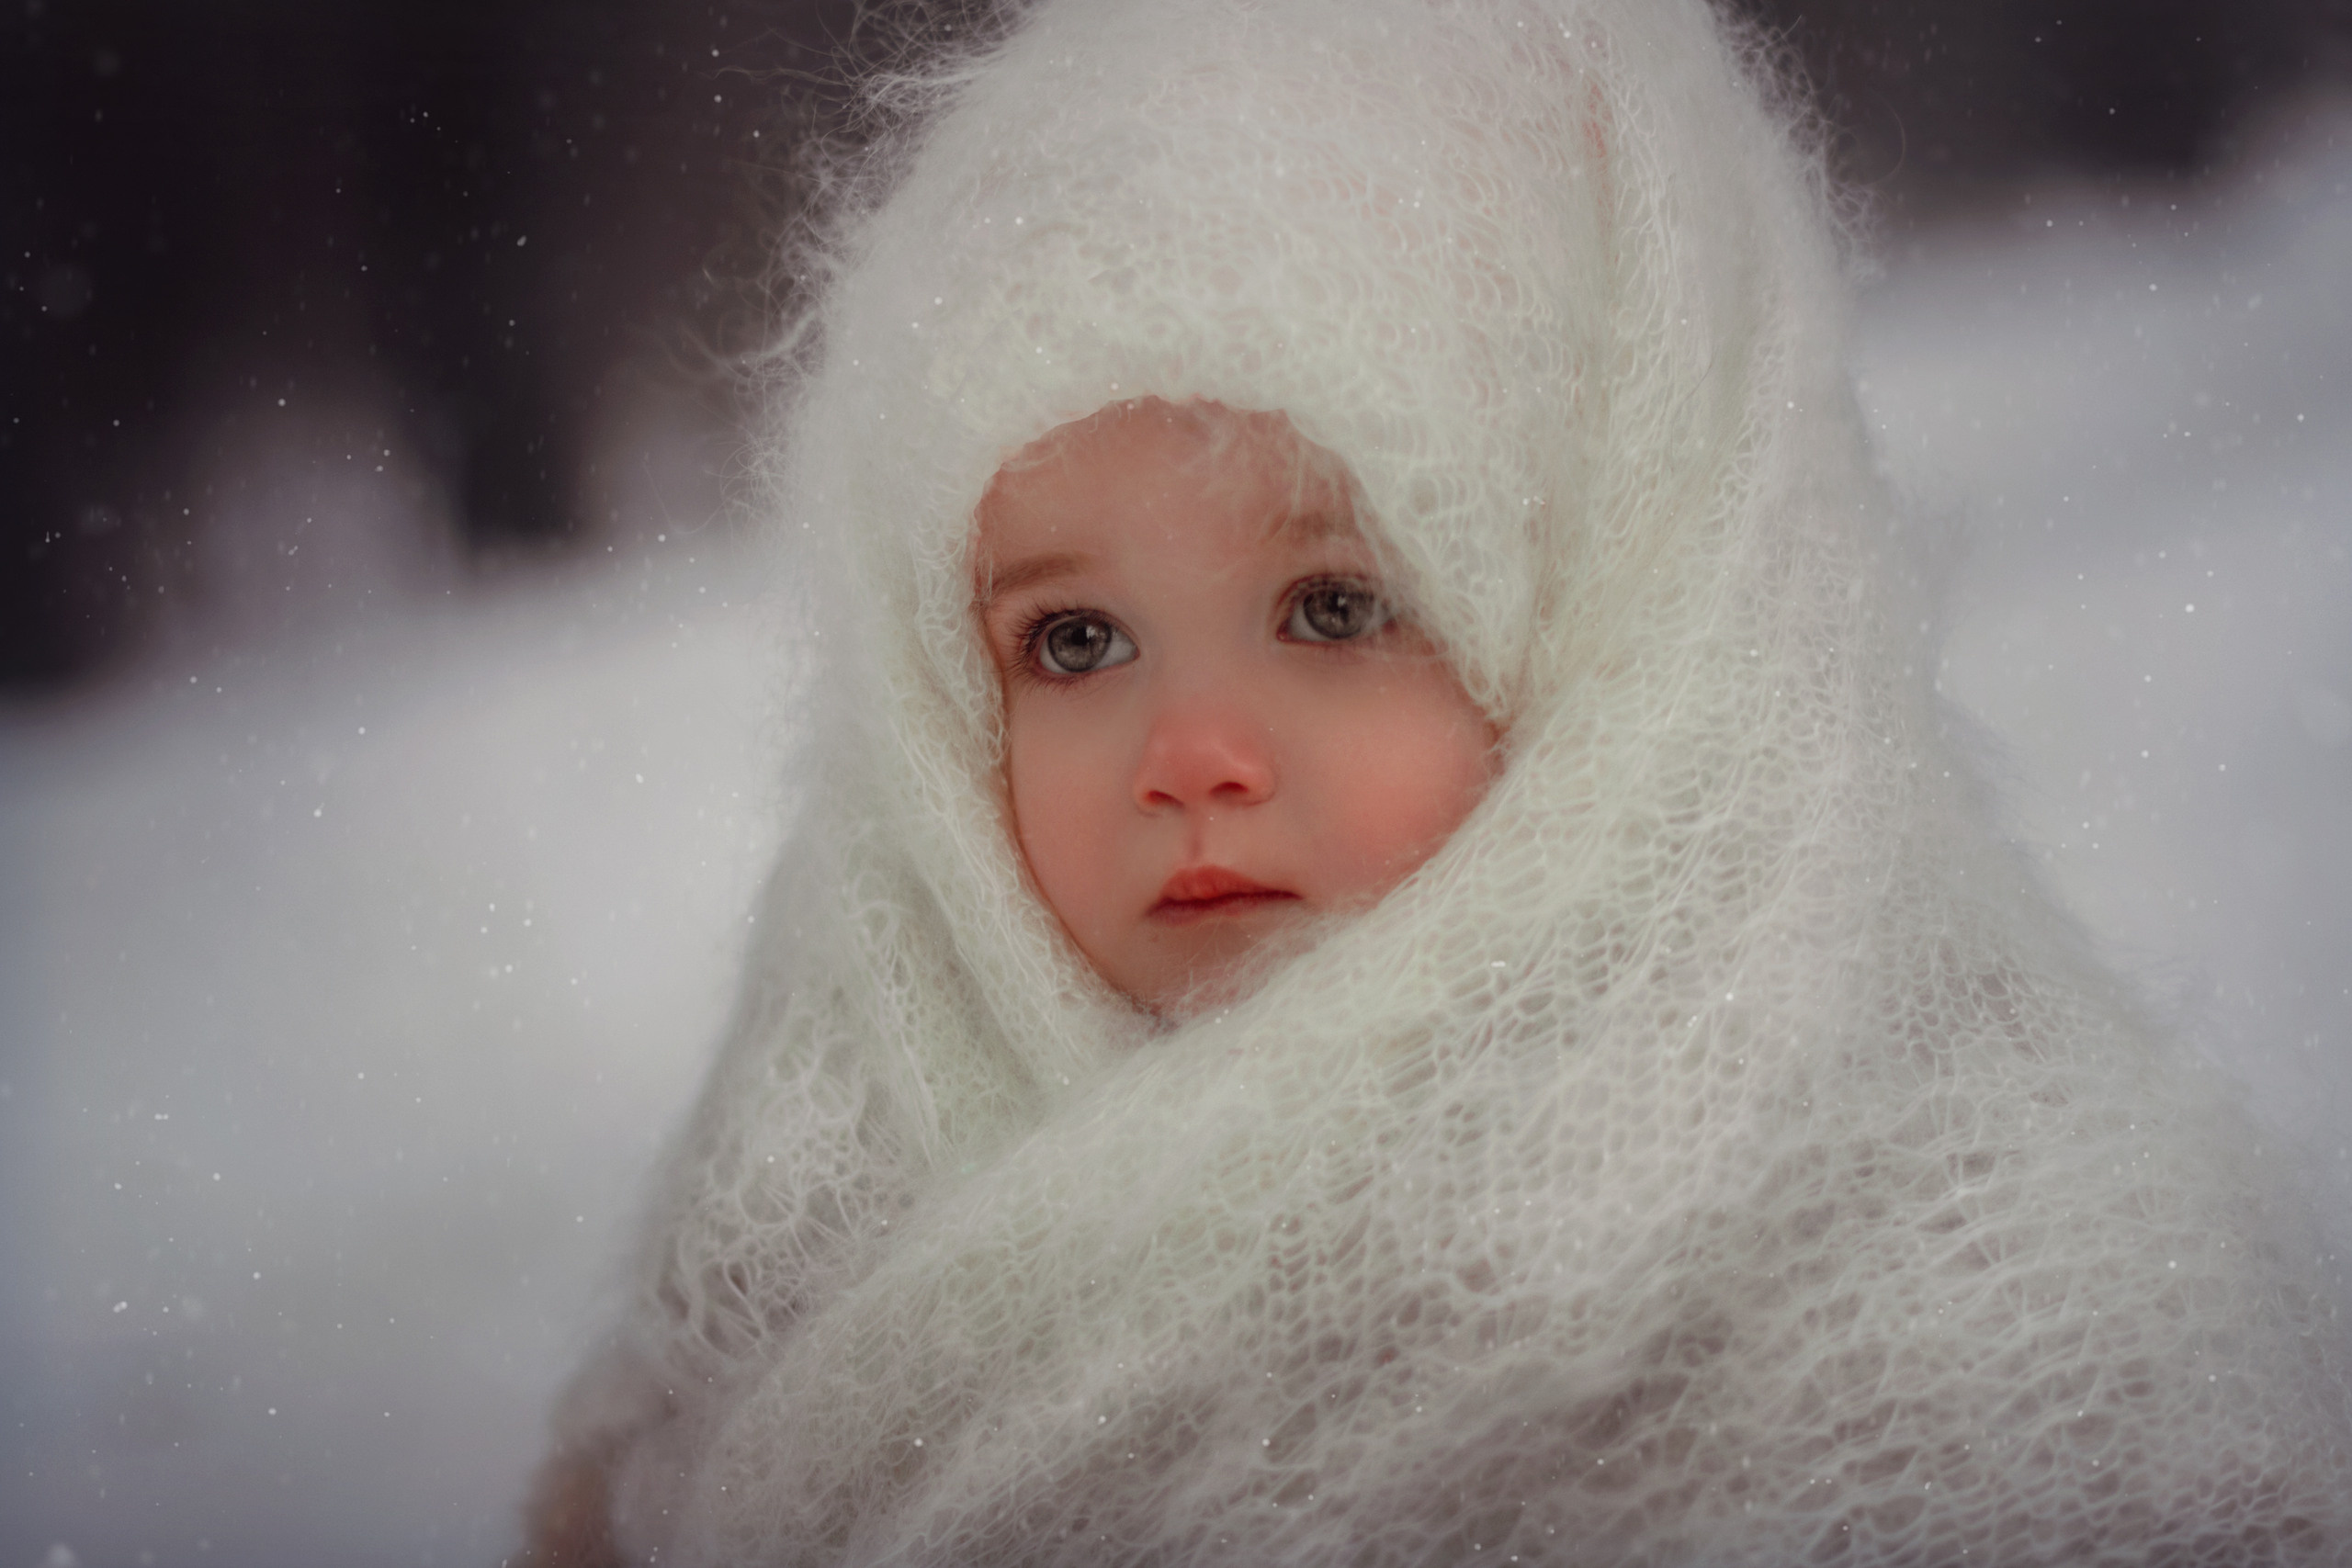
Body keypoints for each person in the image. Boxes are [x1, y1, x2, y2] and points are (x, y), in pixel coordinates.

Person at [527, 0, 2352, 1562]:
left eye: (1335, 604)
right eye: (1072, 641)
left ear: (1632, 626)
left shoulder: (1983, 1279)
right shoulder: (838, 1160)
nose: (1188, 756)